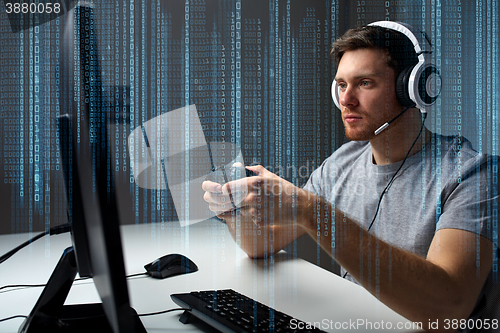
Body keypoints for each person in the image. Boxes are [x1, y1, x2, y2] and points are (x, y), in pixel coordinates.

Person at [202, 22, 499, 331]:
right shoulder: (342, 162)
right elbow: (261, 243)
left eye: (365, 83)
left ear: (413, 88)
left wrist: (311, 211)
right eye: (341, 85)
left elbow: (448, 309)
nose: (346, 99)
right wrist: (233, 207)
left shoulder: (473, 175)